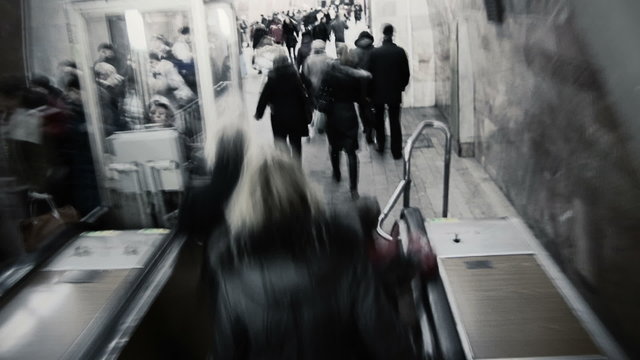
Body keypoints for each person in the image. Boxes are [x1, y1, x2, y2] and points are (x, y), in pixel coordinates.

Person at [210, 146, 418, 359]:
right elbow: (387, 340)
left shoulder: (231, 276)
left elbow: (225, 351)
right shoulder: (345, 254)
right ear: (304, 192)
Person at [321, 46, 372, 200]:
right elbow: (360, 98)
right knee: (351, 152)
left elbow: (322, 92)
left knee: (334, 146)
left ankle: (336, 173)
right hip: (349, 114)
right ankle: (353, 189)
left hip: (333, 115)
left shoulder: (329, 73)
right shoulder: (354, 76)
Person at [255, 54, 311, 162]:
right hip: (295, 116)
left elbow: (264, 97)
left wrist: (259, 113)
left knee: (280, 145)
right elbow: (303, 95)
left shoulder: (272, 79)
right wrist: (307, 111)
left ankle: (284, 167)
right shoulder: (295, 76)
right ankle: (296, 168)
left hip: (278, 117)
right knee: (296, 144)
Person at [369, 24, 410, 159]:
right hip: (394, 92)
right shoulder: (400, 52)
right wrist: (401, 87)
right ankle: (396, 151)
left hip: (378, 92)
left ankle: (381, 145)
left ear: (383, 34)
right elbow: (406, 74)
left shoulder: (375, 53)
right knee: (394, 121)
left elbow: (370, 74)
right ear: (393, 34)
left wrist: (371, 92)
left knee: (379, 120)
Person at [352, 31, 376, 143]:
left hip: (358, 86)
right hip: (372, 85)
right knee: (371, 108)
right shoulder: (375, 51)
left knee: (362, 108)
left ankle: (366, 128)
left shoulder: (354, 52)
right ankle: (371, 127)